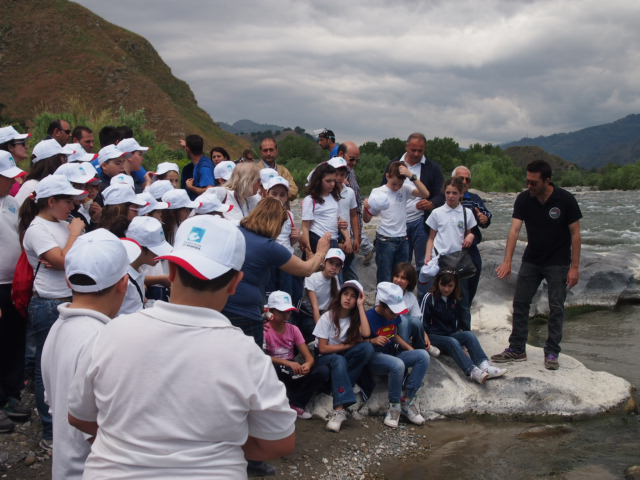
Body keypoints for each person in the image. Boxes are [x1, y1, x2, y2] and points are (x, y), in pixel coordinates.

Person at [67, 215, 296, 478]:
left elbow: (79, 416)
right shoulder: (248, 356)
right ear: (235, 283)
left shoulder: (110, 334)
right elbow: (279, 442)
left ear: (172, 271)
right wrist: (219, 445)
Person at [41, 228, 137, 480]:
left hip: (64, 468)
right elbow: (109, 428)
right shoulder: (105, 340)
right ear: (124, 284)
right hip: (92, 471)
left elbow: (54, 404)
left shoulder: (58, 328)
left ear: (68, 280)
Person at [492, 160, 582, 370]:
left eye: (534, 183)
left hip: (558, 261)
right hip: (532, 259)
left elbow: (576, 234)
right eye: (528, 181)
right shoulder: (524, 199)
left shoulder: (565, 199)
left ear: (547, 181)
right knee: (520, 303)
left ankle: (551, 352)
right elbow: (514, 230)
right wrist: (507, 261)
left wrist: (575, 267)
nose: (529, 186)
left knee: (556, 306)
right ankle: (517, 349)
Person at [19, 174, 86, 451]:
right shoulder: (37, 229)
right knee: (48, 368)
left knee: (69, 364)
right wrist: (73, 236)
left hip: (69, 297)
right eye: (67, 200)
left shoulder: (61, 223)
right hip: (48, 302)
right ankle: (49, 430)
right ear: (52, 201)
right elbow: (62, 261)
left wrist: (70, 242)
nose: (72, 206)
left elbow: (73, 257)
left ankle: (66, 422)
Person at [222, 197, 331, 347]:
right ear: (276, 223)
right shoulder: (269, 247)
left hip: (223, 306)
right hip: (246, 312)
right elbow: (305, 269)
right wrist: (321, 251)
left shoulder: (235, 232)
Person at [383, 133, 444, 295]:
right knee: (401, 266)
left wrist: (432, 203)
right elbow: (385, 188)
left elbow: (440, 194)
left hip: (420, 222)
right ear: (406, 147)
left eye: (420, 151)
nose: (417, 154)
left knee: (424, 263)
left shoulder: (433, 168)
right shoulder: (394, 164)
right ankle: (398, 299)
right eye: (413, 150)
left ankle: (423, 299)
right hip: (398, 224)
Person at [423, 271, 506, 384]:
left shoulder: (456, 298)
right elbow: (421, 323)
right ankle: (472, 371)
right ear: (437, 283)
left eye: (450, 286)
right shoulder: (429, 298)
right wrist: (425, 341)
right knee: (451, 341)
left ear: (455, 285)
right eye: (443, 285)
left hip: (450, 334)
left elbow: (460, 321)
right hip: (432, 337)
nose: (446, 289)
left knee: (469, 335)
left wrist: (462, 343)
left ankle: (484, 365)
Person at [366, 282, 430, 427]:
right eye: (393, 312)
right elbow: (357, 342)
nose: (395, 315)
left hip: (392, 354)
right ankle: (394, 406)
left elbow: (394, 334)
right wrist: (372, 340)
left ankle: (407, 400)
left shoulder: (393, 316)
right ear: (382, 306)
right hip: (375, 358)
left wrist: (409, 349)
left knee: (423, 356)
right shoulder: (368, 317)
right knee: (398, 364)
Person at [312, 280, 373, 432]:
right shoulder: (328, 316)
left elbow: (366, 334)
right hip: (326, 358)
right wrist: (348, 346)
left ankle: (340, 390)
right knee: (339, 359)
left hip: (343, 357)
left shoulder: (355, 318)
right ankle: (340, 410)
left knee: (367, 348)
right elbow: (323, 348)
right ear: (340, 296)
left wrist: (360, 306)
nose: (348, 298)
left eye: (353, 296)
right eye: (345, 294)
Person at [263, 290, 330, 419]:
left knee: (322, 371)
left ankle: (296, 403)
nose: (286, 315)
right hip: (275, 370)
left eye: (288, 311)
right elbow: (262, 357)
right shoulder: (264, 330)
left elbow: (308, 355)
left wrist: (308, 365)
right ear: (270, 311)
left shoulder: (293, 329)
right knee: (275, 368)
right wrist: (287, 363)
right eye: (281, 312)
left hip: (292, 369)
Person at [0, 151, 28, 433]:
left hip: (12, 284)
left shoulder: (11, 203)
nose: (11, 182)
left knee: (13, 341)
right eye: (5, 178)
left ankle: (11, 395)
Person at [365, 161, 430, 284]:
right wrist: (366, 207)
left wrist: (411, 176)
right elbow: (367, 219)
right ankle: (382, 302)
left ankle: (400, 302)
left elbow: (425, 193)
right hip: (385, 240)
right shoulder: (378, 192)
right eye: (394, 184)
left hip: (403, 240)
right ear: (387, 176)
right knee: (385, 277)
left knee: (402, 279)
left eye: (400, 184)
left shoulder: (404, 189)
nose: (397, 187)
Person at [425, 176, 477, 316]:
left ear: (461, 194)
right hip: (441, 259)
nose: (451, 196)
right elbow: (431, 237)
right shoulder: (437, 213)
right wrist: (428, 256)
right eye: (448, 192)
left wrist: (470, 236)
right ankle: (438, 327)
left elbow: (469, 233)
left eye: (454, 193)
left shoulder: (467, 213)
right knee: (439, 296)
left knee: (462, 300)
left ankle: (464, 330)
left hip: (459, 261)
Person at [451, 165, 492, 330]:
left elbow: (486, 217)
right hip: (453, 251)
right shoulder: (447, 197)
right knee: (461, 293)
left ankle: (461, 327)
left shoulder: (473, 199)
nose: (465, 181)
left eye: (468, 179)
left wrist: (484, 219)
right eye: (462, 178)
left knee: (470, 290)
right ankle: (463, 332)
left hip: (472, 250)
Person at [119, 216, 172, 315]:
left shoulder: (137, 269)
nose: (160, 255)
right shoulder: (124, 281)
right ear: (141, 248)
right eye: (156, 251)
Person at [296, 248, 344, 342]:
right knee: (313, 332)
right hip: (309, 314)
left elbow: (337, 302)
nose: (333, 267)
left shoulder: (335, 279)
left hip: (326, 314)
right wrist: (320, 329)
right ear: (324, 262)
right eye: (331, 263)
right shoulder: (312, 278)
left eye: (337, 265)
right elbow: (315, 307)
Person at [392, 262, 438, 354]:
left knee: (414, 321)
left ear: (409, 281)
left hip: (406, 331)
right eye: (397, 276)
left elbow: (417, 320)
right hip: (390, 330)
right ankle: (403, 350)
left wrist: (425, 336)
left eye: (403, 278)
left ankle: (422, 347)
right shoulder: (385, 293)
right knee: (402, 319)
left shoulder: (411, 297)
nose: (398, 280)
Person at [14, 139, 74, 206]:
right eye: (64, 158)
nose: (66, 163)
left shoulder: (51, 186)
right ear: (52, 161)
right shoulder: (32, 186)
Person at [342, 141, 374, 265]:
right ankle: (367, 250)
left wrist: (356, 236)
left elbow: (355, 211)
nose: (354, 163)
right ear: (341, 154)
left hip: (354, 218)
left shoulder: (351, 171)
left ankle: (367, 249)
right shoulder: (329, 171)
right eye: (352, 159)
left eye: (357, 160)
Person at [330, 156, 360, 280]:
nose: (338, 178)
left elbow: (354, 215)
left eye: (342, 175)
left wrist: (357, 237)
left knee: (352, 273)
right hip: (332, 238)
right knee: (337, 275)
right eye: (335, 174)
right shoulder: (326, 194)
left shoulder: (350, 192)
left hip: (348, 238)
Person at [301, 162, 341, 253]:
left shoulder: (334, 197)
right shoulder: (310, 199)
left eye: (334, 180)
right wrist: (308, 250)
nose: (332, 184)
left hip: (334, 238)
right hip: (317, 238)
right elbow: (305, 227)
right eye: (328, 181)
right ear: (319, 181)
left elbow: (336, 218)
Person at [183, 134, 214, 199]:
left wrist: (191, 187)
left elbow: (210, 190)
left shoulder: (204, 167)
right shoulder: (202, 163)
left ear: (187, 149)